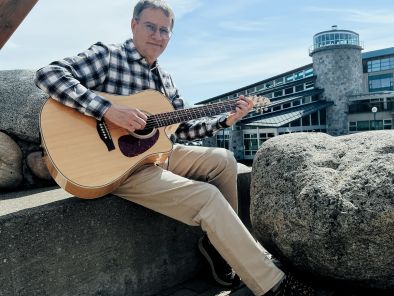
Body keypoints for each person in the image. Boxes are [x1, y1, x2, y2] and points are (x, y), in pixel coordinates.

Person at [34, 1, 315, 295]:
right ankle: (275, 286)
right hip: (117, 167)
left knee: (223, 158)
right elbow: (48, 74)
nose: (157, 35)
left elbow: (182, 130)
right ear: (133, 25)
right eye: (150, 27)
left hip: (155, 154)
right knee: (206, 197)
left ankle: (221, 248)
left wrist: (226, 120)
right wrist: (107, 110)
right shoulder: (109, 56)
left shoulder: (165, 79)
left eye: (164, 31)